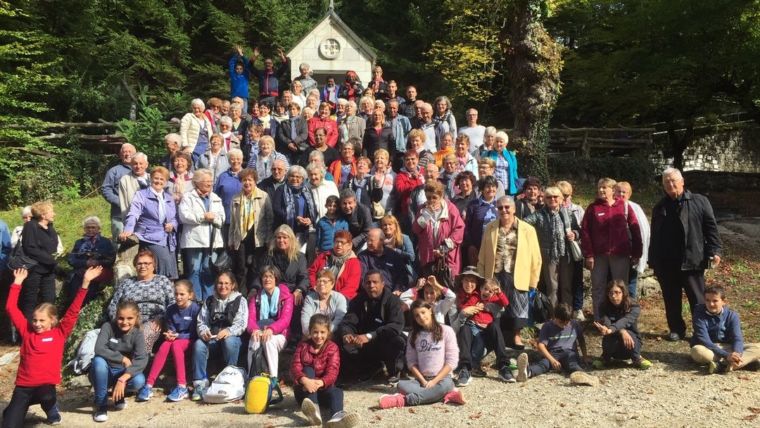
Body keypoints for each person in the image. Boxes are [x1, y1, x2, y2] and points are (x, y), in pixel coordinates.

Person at [3, 266, 101, 426]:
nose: (37, 324)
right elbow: (11, 308)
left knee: (47, 396)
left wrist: (85, 283)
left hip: (45, 388)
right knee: (8, 422)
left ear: (52, 320)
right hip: (24, 388)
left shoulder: (59, 332)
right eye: (34, 320)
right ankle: (17, 408)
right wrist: (17, 283)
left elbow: (73, 311)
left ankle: (51, 408)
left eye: (42, 320)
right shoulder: (27, 331)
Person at [651, 170, 723, 342]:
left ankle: (701, 331)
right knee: (671, 299)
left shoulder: (700, 201)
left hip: (692, 260)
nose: (670, 184)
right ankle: (676, 329)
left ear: (682, 181)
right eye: (666, 182)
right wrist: (653, 260)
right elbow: (654, 236)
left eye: (673, 181)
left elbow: (711, 228)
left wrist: (716, 250)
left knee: (697, 300)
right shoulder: (660, 207)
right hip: (667, 262)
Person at [477, 196, 542, 349]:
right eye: (500, 208)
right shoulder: (490, 228)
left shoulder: (527, 229)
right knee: (496, 305)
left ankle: (517, 337)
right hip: (496, 273)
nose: (504, 210)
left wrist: (533, 281)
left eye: (507, 207)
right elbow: (482, 255)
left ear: (514, 209)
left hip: (518, 273)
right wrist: (482, 278)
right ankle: (497, 338)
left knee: (518, 305)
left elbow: (536, 257)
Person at [379, 299, 463, 409]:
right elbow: (411, 362)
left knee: (445, 385)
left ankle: (402, 400)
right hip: (421, 379)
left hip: (442, 378)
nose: (421, 317)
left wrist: (434, 381)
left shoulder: (446, 330)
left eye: (423, 312)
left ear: (430, 310)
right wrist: (423, 381)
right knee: (401, 385)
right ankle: (447, 395)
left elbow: (451, 361)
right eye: (417, 316)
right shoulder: (413, 335)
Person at [580, 177, 642, 320]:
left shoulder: (624, 206)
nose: (601, 190)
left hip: (620, 254)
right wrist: (588, 254)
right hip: (598, 255)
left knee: (621, 288)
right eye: (599, 187)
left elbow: (635, 228)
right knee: (598, 288)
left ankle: (622, 320)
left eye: (605, 187)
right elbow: (585, 232)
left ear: (613, 190)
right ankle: (600, 319)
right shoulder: (592, 208)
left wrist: (637, 252)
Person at [137, 280, 201, 402]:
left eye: (182, 294)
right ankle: (149, 385)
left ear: (190, 295)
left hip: (190, 340)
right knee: (165, 345)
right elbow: (170, 328)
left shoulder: (195, 309)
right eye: (176, 294)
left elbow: (195, 333)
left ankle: (182, 386)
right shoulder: (171, 309)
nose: (178, 297)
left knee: (176, 345)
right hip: (176, 340)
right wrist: (169, 334)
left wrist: (177, 336)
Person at [337, 271, 406, 384]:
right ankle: (369, 370)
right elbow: (348, 322)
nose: (371, 286)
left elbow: (396, 326)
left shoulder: (392, 300)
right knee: (340, 340)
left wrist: (370, 336)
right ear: (364, 284)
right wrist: (347, 334)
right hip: (363, 342)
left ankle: (395, 371)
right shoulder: (358, 300)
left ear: (383, 284)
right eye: (368, 282)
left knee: (397, 341)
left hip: (383, 339)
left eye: (375, 282)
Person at [291, 314, 359, 428]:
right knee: (308, 369)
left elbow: (333, 371)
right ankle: (314, 411)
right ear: (310, 331)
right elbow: (295, 366)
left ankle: (337, 417)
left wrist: (321, 382)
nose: (318, 336)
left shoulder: (332, 347)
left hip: (322, 388)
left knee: (337, 392)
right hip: (304, 392)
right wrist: (304, 380)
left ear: (328, 333)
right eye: (315, 332)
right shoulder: (303, 346)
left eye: (322, 332)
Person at [192, 272, 248, 401]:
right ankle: (200, 384)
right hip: (213, 339)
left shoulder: (240, 300)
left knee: (229, 341)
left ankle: (229, 380)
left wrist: (228, 331)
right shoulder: (210, 300)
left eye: (226, 283)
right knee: (199, 344)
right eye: (220, 283)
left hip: (233, 339)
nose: (223, 286)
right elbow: (201, 321)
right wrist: (204, 332)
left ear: (232, 285)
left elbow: (241, 323)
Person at [107, 249, 175, 351]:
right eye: (139, 263)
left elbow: (172, 303)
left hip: (153, 321)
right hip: (128, 321)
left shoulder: (162, 280)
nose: (143, 266)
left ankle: (138, 363)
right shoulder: (127, 283)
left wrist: (162, 318)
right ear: (135, 265)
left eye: (147, 263)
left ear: (154, 266)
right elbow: (113, 305)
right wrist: (119, 321)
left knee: (143, 337)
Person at [91, 301, 148, 423]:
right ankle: (101, 405)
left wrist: (122, 379)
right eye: (121, 318)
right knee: (98, 361)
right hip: (104, 371)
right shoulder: (108, 326)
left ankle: (118, 396)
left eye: (130, 318)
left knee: (139, 380)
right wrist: (122, 358)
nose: (125, 322)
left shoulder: (137, 334)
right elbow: (99, 348)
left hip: (122, 372)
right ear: (116, 316)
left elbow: (142, 359)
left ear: (136, 317)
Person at [524, 186, 580, 307]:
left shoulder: (569, 214)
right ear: (544, 199)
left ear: (560, 199)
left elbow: (578, 230)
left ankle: (566, 315)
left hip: (566, 255)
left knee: (566, 287)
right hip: (548, 256)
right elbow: (524, 224)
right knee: (552, 288)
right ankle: (553, 317)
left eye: (555, 197)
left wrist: (574, 234)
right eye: (549, 197)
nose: (552, 199)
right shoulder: (539, 214)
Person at [120, 166, 179, 279]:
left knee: (171, 272)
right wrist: (128, 230)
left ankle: (168, 294)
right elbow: (133, 213)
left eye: (162, 179)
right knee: (163, 267)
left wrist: (172, 225)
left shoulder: (168, 198)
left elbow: (175, 218)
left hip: (168, 239)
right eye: (156, 178)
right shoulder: (141, 195)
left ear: (166, 182)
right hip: (149, 237)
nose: (158, 181)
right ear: (151, 179)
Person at [453, 276, 511, 386]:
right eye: (485, 289)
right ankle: (465, 368)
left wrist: (499, 293)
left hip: (487, 331)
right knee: (465, 328)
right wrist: (472, 307)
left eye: (490, 291)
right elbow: (465, 308)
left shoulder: (494, 300)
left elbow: (505, 303)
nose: (487, 292)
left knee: (494, 326)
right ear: (480, 288)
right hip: (473, 327)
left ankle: (503, 366)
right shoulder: (474, 297)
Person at [178, 169, 226, 301]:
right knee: (194, 269)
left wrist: (213, 219)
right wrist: (203, 217)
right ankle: (196, 299)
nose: (210, 184)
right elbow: (183, 216)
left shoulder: (216, 198)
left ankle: (209, 299)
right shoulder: (188, 197)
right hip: (194, 240)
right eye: (207, 181)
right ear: (197, 182)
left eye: (211, 181)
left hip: (212, 240)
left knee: (208, 268)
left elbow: (221, 218)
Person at [690, 286, 760, 373]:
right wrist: (726, 355)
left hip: (727, 346)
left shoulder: (732, 315)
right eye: (707, 300)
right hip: (707, 348)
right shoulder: (699, 314)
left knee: (758, 347)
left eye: (715, 301)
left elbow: (737, 338)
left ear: (724, 301)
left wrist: (737, 353)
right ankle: (743, 363)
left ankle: (722, 365)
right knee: (697, 352)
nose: (711, 304)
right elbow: (704, 340)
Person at [515, 303, 590, 383]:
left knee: (572, 364)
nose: (564, 326)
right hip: (552, 353)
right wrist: (552, 360)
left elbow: (581, 341)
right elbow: (541, 345)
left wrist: (585, 357)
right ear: (555, 317)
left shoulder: (575, 325)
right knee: (543, 364)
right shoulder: (547, 326)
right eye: (561, 322)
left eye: (567, 323)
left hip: (570, 352)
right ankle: (526, 372)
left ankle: (584, 377)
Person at [228, 167, 273, 292]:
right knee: (241, 268)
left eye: (250, 180)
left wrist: (269, 239)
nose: (247, 183)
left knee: (256, 267)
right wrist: (231, 240)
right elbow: (233, 221)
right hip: (241, 237)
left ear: (255, 181)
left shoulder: (263, 196)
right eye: (244, 180)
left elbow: (270, 219)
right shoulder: (236, 198)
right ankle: (241, 294)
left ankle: (255, 293)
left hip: (258, 237)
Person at [247, 265, 294, 384]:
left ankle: (273, 378)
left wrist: (271, 329)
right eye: (264, 276)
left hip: (280, 334)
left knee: (269, 340)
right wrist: (255, 330)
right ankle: (251, 376)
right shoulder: (256, 297)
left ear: (276, 279)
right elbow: (250, 319)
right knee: (254, 339)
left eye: (270, 276)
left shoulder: (286, 297)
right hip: (260, 330)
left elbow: (285, 320)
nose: (267, 279)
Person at [592, 280, 652, 370]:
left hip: (631, 343)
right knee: (609, 336)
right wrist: (620, 331)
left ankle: (637, 358)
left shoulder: (633, 306)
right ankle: (605, 358)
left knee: (629, 334)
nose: (613, 296)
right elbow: (607, 322)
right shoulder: (603, 306)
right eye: (610, 293)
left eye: (617, 293)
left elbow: (626, 320)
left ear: (623, 293)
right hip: (612, 342)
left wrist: (617, 330)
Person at [412, 180, 465, 278]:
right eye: (428, 197)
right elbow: (416, 229)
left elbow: (459, 230)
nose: (431, 200)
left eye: (434, 197)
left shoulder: (451, 209)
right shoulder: (422, 209)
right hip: (428, 257)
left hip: (447, 258)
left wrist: (443, 248)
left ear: (441, 196)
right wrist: (426, 215)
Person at [18, 201, 59, 320]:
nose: (54, 214)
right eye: (51, 211)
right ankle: (27, 331)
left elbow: (53, 247)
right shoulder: (30, 226)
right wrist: (51, 260)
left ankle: (48, 327)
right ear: (43, 214)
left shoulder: (50, 227)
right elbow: (30, 248)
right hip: (34, 269)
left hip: (48, 270)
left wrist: (51, 261)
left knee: (50, 299)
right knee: (30, 300)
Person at [251, 225, 309, 304]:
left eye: (285, 237)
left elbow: (304, 277)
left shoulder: (299, 257)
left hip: (291, 294)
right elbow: (259, 275)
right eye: (279, 237)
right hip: (270, 293)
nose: (281, 240)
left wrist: (299, 290)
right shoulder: (268, 255)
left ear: (291, 239)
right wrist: (254, 288)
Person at [65, 217, 115, 306]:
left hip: (97, 276)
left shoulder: (105, 242)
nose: (90, 229)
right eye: (88, 227)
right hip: (80, 275)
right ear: (84, 229)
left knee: (88, 300)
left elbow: (111, 259)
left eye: (93, 227)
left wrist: (98, 262)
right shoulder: (79, 243)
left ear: (98, 228)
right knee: (73, 298)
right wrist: (85, 263)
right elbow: (71, 260)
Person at [614, 181, 651, 298]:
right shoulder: (610, 206)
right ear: (614, 192)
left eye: (624, 192)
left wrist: (638, 253)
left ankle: (630, 309)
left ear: (629, 194)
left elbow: (643, 231)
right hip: (615, 253)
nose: (621, 194)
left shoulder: (635, 208)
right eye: (619, 191)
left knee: (631, 283)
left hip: (632, 252)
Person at [557, 180, 587, 321]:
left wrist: (575, 234)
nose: (564, 199)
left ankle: (578, 308)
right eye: (561, 196)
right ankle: (565, 309)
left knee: (577, 279)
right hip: (561, 252)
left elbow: (585, 229)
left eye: (566, 195)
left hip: (576, 249)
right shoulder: (553, 209)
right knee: (563, 282)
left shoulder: (577, 209)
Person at [272, 165, 318, 248]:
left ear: (303, 179)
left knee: (298, 256)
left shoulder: (307, 191)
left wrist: (309, 220)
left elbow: (313, 209)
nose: (294, 179)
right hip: (285, 231)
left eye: (298, 177)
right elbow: (276, 209)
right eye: (292, 176)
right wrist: (294, 217)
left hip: (302, 231)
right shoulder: (281, 190)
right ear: (288, 177)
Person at [309, 231, 361, 301]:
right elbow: (311, 272)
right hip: (318, 294)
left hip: (341, 299)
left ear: (349, 245)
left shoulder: (354, 263)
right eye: (337, 242)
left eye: (342, 242)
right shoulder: (323, 256)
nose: (339, 245)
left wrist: (334, 299)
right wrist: (314, 286)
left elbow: (351, 287)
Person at [358, 229, 413, 294]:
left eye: (371, 240)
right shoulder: (363, 256)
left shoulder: (394, 255)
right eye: (367, 240)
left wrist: (397, 289)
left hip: (393, 294)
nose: (368, 243)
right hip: (372, 293)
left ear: (381, 240)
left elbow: (402, 276)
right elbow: (363, 278)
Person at [101, 143, 136, 243]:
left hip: (138, 215)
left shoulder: (140, 169)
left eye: (130, 152)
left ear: (135, 154)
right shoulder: (114, 171)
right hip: (119, 215)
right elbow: (105, 189)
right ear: (120, 155)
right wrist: (120, 202)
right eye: (124, 152)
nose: (127, 154)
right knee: (120, 242)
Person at [301, 268, 349, 335]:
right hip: (312, 335)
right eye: (319, 281)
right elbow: (305, 321)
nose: (321, 284)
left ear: (332, 284)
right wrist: (312, 334)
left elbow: (339, 320)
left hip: (333, 334)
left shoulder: (339, 298)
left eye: (325, 281)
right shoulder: (309, 298)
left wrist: (325, 333)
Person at [464, 176, 499, 267]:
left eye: (493, 186)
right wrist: (471, 245)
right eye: (487, 186)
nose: (491, 189)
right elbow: (467, 227)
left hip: (496, 248)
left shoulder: (500, 204)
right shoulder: (473, 205)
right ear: (482, 189)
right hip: (477, 247)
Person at [214, 148, 245, 242]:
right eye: (232, 159)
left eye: (238, 159)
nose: (235, 161)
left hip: (244, 218)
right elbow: (215, 196)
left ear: (242, 160)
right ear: (228, 161)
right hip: (226, 218)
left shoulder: (247, 175)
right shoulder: (222, 176)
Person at [118, 153, 150, 231]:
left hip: (152, 224)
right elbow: (124, 205)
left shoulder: (153, 178)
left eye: (141, 163)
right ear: (131, 165)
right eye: (135, 164)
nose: (138, 166)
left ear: (146, 164)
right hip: (135, 224)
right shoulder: (125, 180)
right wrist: (128, 226)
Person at [394, 150, 425, 233]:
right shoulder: (400, 175)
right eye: (407, 159)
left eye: (413, 159)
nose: (410, 161)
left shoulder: (423, 172)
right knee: (411, 234)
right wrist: (413, 179)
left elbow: (425, 187)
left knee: (422, 233)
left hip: (424, 210)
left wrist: (418, 178)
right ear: (404, 161)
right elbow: (400, 189)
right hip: (408, 211)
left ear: (418, 160)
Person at [482, 131, 518, 196]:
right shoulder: (487, 154)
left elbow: (514, 172)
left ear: (505, 143)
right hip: (492, 189)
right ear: (494, 143)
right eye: (497, 141)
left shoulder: (511, 155)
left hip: (508, 189)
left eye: (501, 142)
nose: (498, 144)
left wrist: (516, 186)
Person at [379, 215, 415, 279]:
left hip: (403, 270)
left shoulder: (404, 238)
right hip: (385, 272)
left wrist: (395, 250)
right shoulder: (379, 240)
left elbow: (412, 257)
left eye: (390, 224)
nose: (387, 227)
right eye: (385, 225)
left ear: (395, 226)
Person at [228, 46, 251, 113]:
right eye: (237, 69)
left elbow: (247, 65)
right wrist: (237, 55)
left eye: (240, 69)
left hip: (244, 98)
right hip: (235, 97)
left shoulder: (245, 75)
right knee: (234, 112)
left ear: (243, 69)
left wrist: (242, 55)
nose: (239, 70)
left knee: (244, 114)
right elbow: (231, 63)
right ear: (235, 69)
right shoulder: (233, 75)